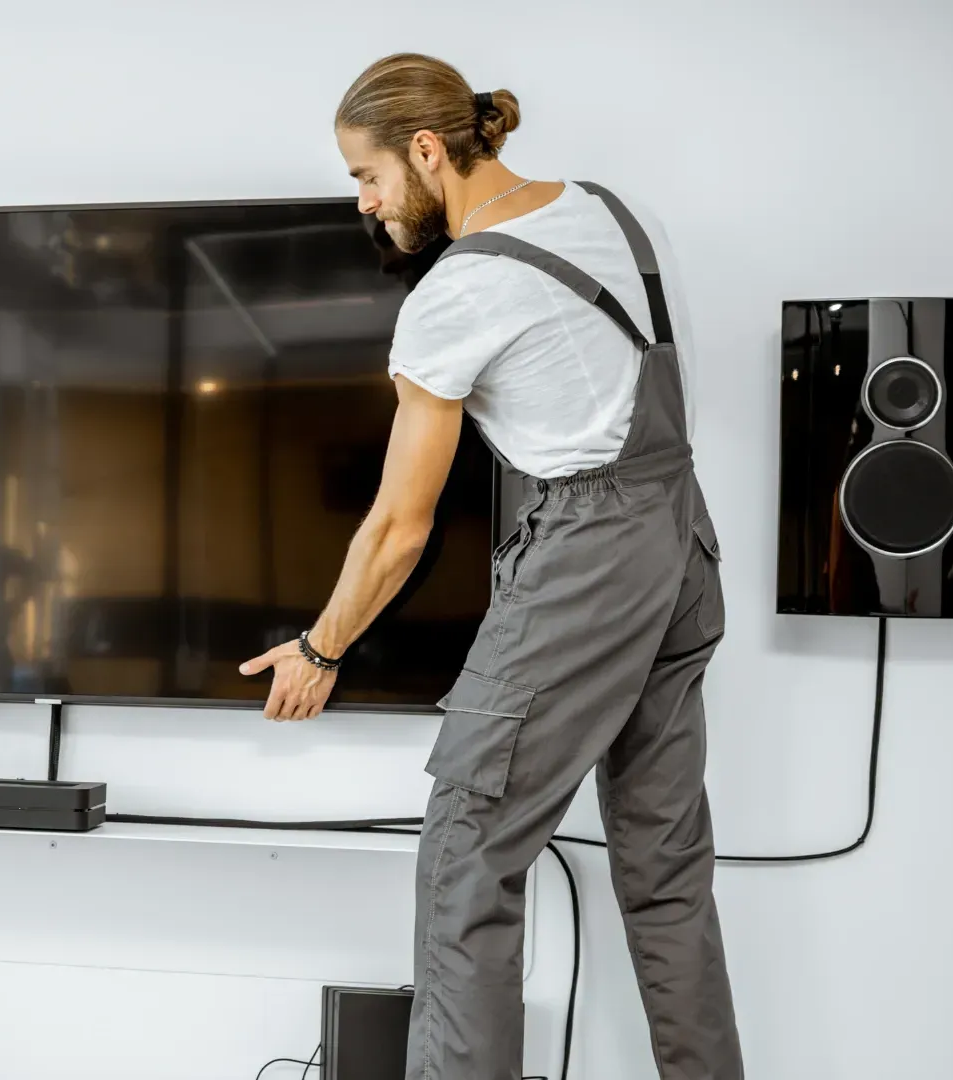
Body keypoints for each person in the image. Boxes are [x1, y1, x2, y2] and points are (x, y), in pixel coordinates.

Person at [240, 53, 742, 1079]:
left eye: (368, 176)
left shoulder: (460, 291)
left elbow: (397, 526)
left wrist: (320, 646)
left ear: (427, 151)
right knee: (666, 867)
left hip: (588, 560)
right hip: (681, 544)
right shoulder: (612, 210)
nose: (369, 206)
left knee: (469, 858)